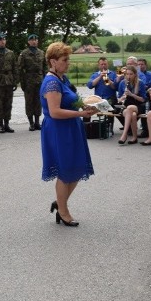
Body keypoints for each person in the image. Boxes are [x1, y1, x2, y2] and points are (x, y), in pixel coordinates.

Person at [41, 42, 95, 227]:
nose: (68, 63)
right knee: (65, 171)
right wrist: (81, 113)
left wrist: (86, 106)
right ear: (53, 61)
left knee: (77, 168)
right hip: (59, 130)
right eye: (65, 60)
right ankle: (63, 211)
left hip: (71, 127)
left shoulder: (62, 79)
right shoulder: (51, 82)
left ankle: (59, 202)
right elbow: (54, 111)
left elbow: (72, 101)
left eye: (68, 59)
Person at [0, 32, 19, 133]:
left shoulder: (10, 53)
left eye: (4, 40)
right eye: (1, 40)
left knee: (8, 103)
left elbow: (15, 67)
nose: (3, 41)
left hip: (9, 80)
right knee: (0, 104)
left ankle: (7, 124)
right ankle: (1, 125)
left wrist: (15, 81)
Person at [18, 34, 46, 131]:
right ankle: (31, 123)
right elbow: (20, 69)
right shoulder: (24, 53)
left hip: (39, 80)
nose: (34, 41)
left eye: (36, 39)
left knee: (38, 102)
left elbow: (45, 68)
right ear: (28, 42)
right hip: (29, 80)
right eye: (32, 40)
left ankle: (37, 122)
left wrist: (45, 80)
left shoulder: (42, 53)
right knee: (29, 102)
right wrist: (22, 82)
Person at [116, 67, 145, 144]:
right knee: (133, 115)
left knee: (130, 108)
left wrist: (132, 95)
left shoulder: (140, 83)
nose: (128, 76)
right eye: (127, 74)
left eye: (131, 74)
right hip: (126, 105)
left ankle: (124, 134)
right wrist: (123, 97)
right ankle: (134, 137)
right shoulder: (122, 83)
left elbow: (143, 99)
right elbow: (118, 99)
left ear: (135, 74)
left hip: (138, 105)